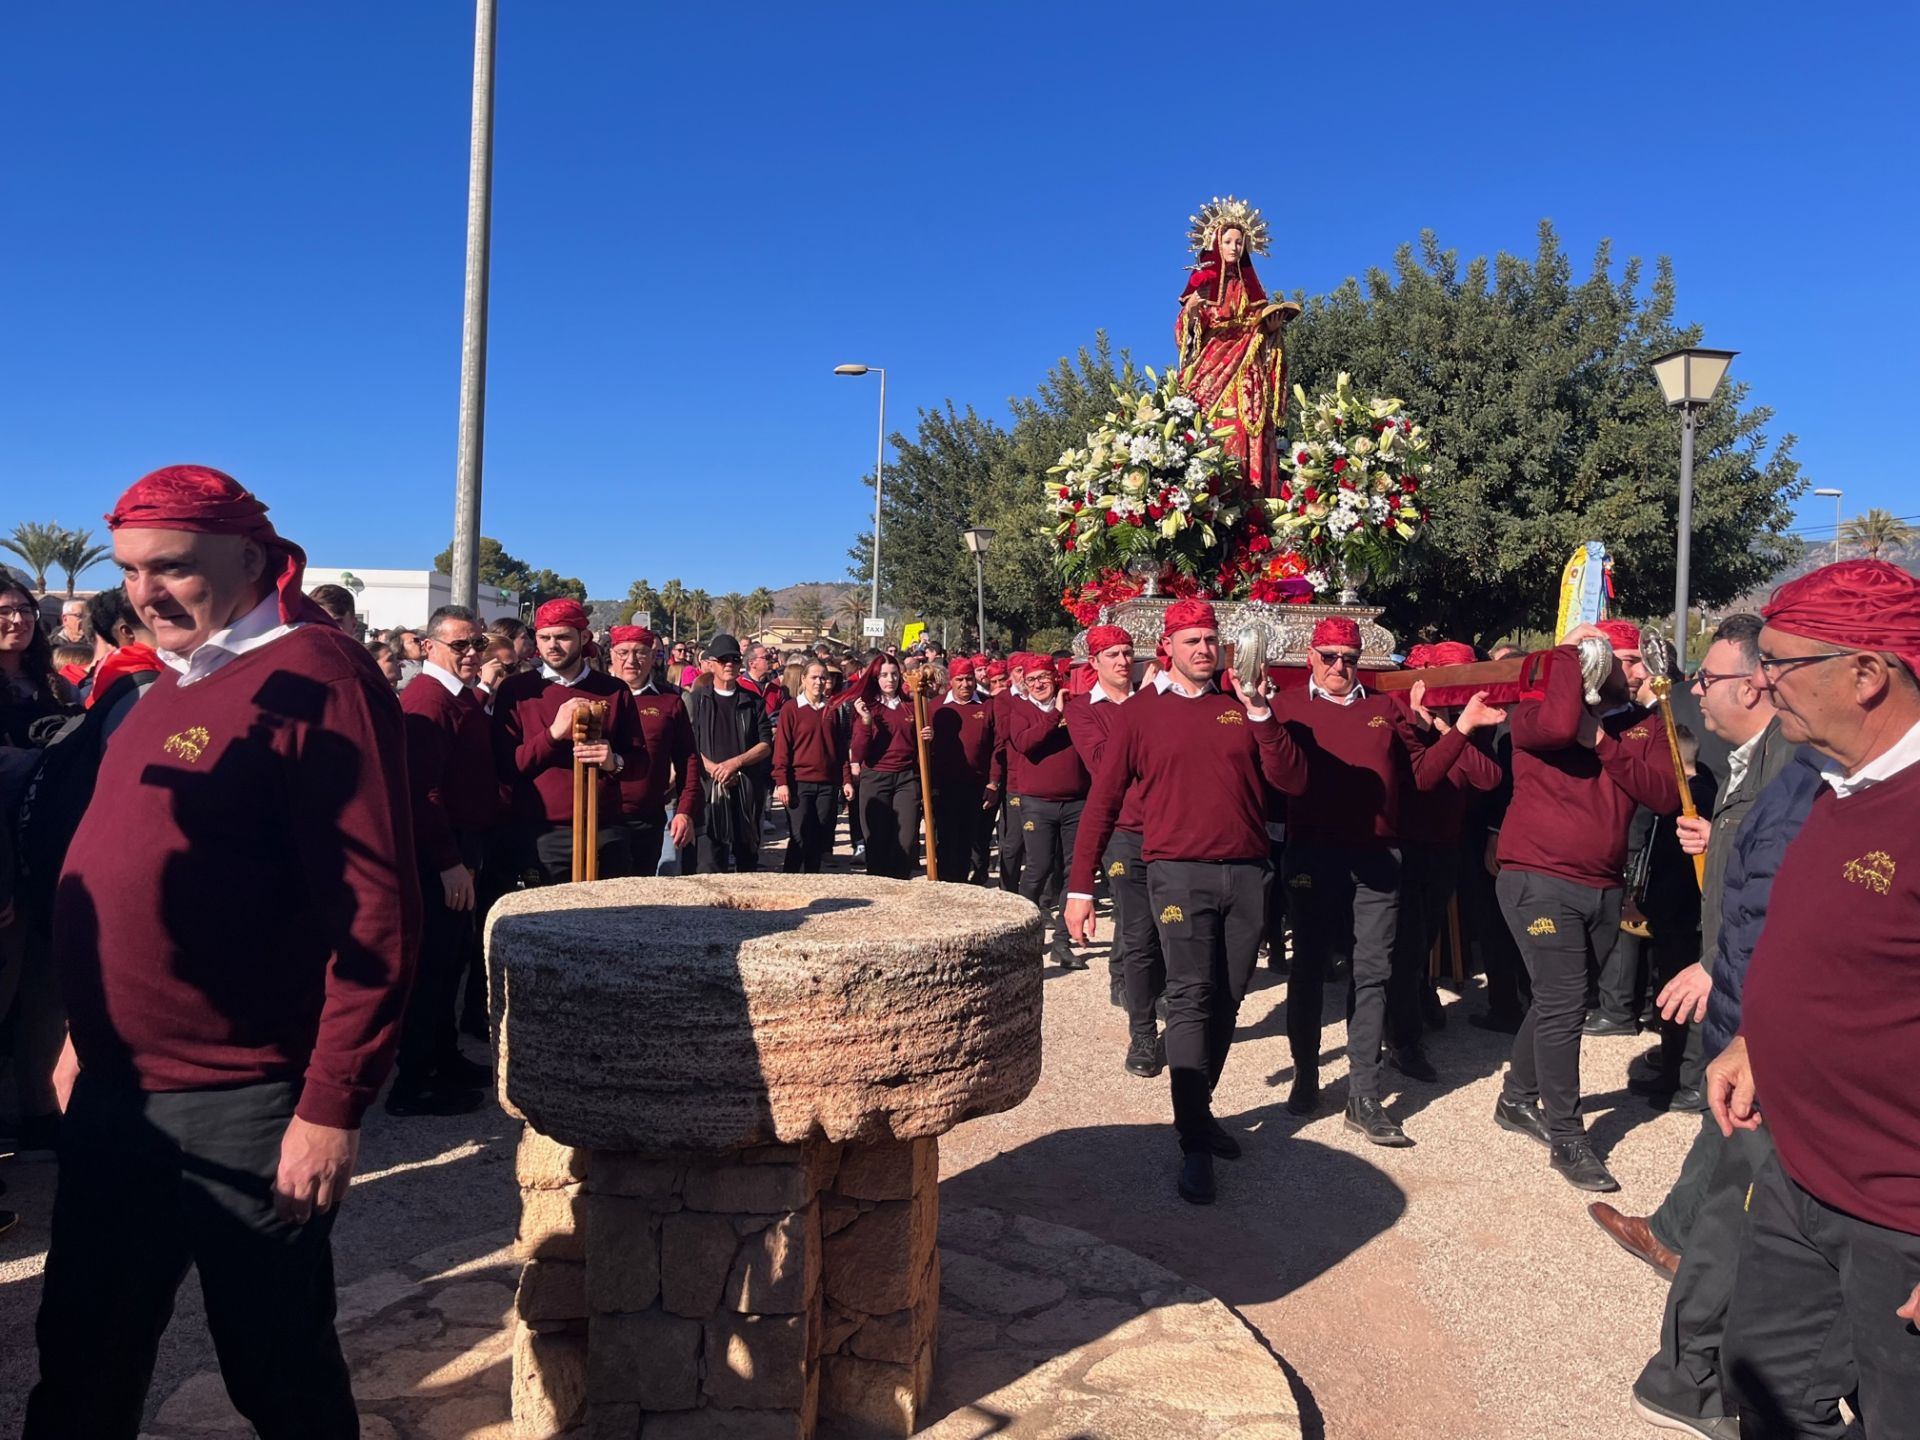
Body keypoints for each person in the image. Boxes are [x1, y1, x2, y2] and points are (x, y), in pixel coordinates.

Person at [26, 464, 419, 1438]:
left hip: (243, 1098)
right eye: (128, 571)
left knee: (275, 1367)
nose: (145, 594)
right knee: (81, 1357)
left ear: (251, 558)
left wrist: (331, 1107)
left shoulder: (319, 678)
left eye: (172, 567)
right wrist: (83, 1031)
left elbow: (374, 916)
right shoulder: (176, 678)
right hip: (117, 1089)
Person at [1705, 560, 1920, 1439]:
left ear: (1867, 674)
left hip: (1899, 1213)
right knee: (1763, 1387)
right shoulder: (1834, 783)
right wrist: (1757, 1038)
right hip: (1802, 1175)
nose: (1762, 683)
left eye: (1781, 665)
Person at [1596, 615, 1813, 1436]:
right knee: (1737, 1169)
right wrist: (1713, 836)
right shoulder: (1769, 763)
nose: (1695, 689)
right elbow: (1764, 876)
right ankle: (1687, 1364)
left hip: (1751, 995)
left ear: (1753, 684)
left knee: (1738, 1172)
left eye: (1709, 678)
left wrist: (1720, 965)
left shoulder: (1791, 761)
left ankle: (1673, 1264)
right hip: (1742, 997)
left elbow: (1783, 889)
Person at [1065, 599, 1308, 1204]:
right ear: (1167, 648)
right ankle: (1194, 1140)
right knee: (1192, 996)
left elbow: (1292, 781)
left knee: (1229, 996)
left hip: (1247, 873)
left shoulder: (1241, 706)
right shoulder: (1140, 713)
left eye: (1210, 639)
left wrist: (1261, 713)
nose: (1204, 649)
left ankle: (1199, 1108)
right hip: (1176, 874)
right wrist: (1080, 886)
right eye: (1192, 640)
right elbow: (1103, 801)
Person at [1273, 618, 1500, 1143]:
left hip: (1377, 856)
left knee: (1373, 973)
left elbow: (1422, 775)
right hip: (1312, 854)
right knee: (1308, 968)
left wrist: (1461, 728)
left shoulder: (1383, 708)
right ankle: (1306, 1073)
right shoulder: (1285, 706)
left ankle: (1364, 1094)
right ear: (1311, 657)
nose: (1339, 666)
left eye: (1349, 658)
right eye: (1329, 656)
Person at [1491, 619, 1681, 1193]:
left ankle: (1516, 1098)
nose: (1638, 671)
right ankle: (1568, 1137)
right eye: (1626, 659)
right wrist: (1570, 654)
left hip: (1603, 884)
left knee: (1560, 999)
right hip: (1537, 879)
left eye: (1637, 661)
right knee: (1564, 1001)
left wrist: (1602, 743)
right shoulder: (1535, 713)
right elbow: (1557, 725)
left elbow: (1665, 795)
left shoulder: (1647, 725)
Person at [392, 605, 498, 1117]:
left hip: (463, 845)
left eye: (478, 643)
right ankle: (412, 1083)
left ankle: (442, 1057)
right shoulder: (427, 701)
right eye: (460, 645)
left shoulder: (459, 697)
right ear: (428, 647)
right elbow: (420, 793)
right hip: (440, 853)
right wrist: (448, 861)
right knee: (432, 967)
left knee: (452, 959)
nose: (472, 653)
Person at [1068, 626, 1170, 1066]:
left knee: (1168, 927)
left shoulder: (1161, 699)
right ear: (1094, 663)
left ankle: (1155, 993)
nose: (1123, 661)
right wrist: (1143, 705)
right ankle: (1139, 1023)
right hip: (1124, 830)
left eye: (1128, 653)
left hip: (1167, 826)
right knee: (1137, 928)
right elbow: (1103, 763)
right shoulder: (1082, 709)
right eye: (1112, 655)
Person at [491, 598, 640, 884]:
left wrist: (614, 762)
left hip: (605, 829)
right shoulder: (517, 690)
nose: (552, 645)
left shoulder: (614, 690)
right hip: (542, 833)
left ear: (584, 637)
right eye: (544, 637)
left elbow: (640, 762)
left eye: (562, 637)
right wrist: (553, 734)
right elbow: (508, 767)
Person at [1173, 200, 1299, 498]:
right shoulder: (1203, 286)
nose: (1234, 247)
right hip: (1213, 368)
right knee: (1219, 425)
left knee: (1249, 424)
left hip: (1248, 370)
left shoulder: (1251, 291)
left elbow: (1260, 333)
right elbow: (1185, 337)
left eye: (1239, 242)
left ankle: (1254, 496)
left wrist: (1271, 331)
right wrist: (1192, 311)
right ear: (1216, 244)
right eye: (1228, 241)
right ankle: (1220, 494)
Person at [1004, 650, 1091, 961]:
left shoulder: (1076, 705)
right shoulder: (1020, 710)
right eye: (1031, 680)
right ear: (1024, 684)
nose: (1038, 684)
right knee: (1038, 868)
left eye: (1043, 677)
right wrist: (1055, 714)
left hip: (1076, 802)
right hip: (1037, 803)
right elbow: (1026, 743)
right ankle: (1021, 935)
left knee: (1073, 871)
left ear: (1054, 677)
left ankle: (1062, 941)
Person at [607, 625, 698, 877]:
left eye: (640, 652)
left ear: (653, 656)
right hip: (601, 819)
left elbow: (688, 759)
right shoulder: (594, 696)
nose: (631, 660)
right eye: (623, 652)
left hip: (649, 817)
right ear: (612, 655)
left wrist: (685, 810)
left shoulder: (670, 701)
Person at [682, 633, 774, 874]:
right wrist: (714, 769)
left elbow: (765, 744)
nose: (729, 665)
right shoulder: (697, 700)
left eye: (735, 659)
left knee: (747, 860)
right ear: (711, 663)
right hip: (709, 791)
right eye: (723, 660)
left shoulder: (752, 701)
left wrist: (735, 763)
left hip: (746, 789)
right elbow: (688, 743)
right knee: (709, 862)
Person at [845, 655, 922, 880]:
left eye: (894, 674)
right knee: (877, 841)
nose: (890, 679)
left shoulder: (911, 706)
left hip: (907, 777)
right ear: (875, 678)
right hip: (876, 777)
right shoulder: (866, 707)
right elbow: (858, 752)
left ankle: (901, 887)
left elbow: (922, 747)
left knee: (905, 841)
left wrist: (928, 736)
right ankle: (878, 891)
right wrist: (866, 722)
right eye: (884, 675)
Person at [928, 656, 999, 886]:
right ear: (951, 680)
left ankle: (966, 882)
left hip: (975, 785)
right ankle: (946, 882)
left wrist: (993, 782)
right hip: (943, 784)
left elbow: (998, 746)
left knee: (969, 837)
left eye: (969, 679)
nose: (965, 684)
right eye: (959, 679)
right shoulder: (935, 706)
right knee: (945, 837)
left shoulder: (988, 705)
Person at [772, 659, 846, 873]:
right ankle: (790, 879)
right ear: (803, 679)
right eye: (814, 677)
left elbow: (840, 748)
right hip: (799, 783)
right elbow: (782, 748)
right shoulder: (791, 709)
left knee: (818, 837)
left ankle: (813, 879)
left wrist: (846, 780)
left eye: (823, 678)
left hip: (826, 784)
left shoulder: (833, 709)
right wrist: (782, 782)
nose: (819, 682)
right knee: (799, 836)